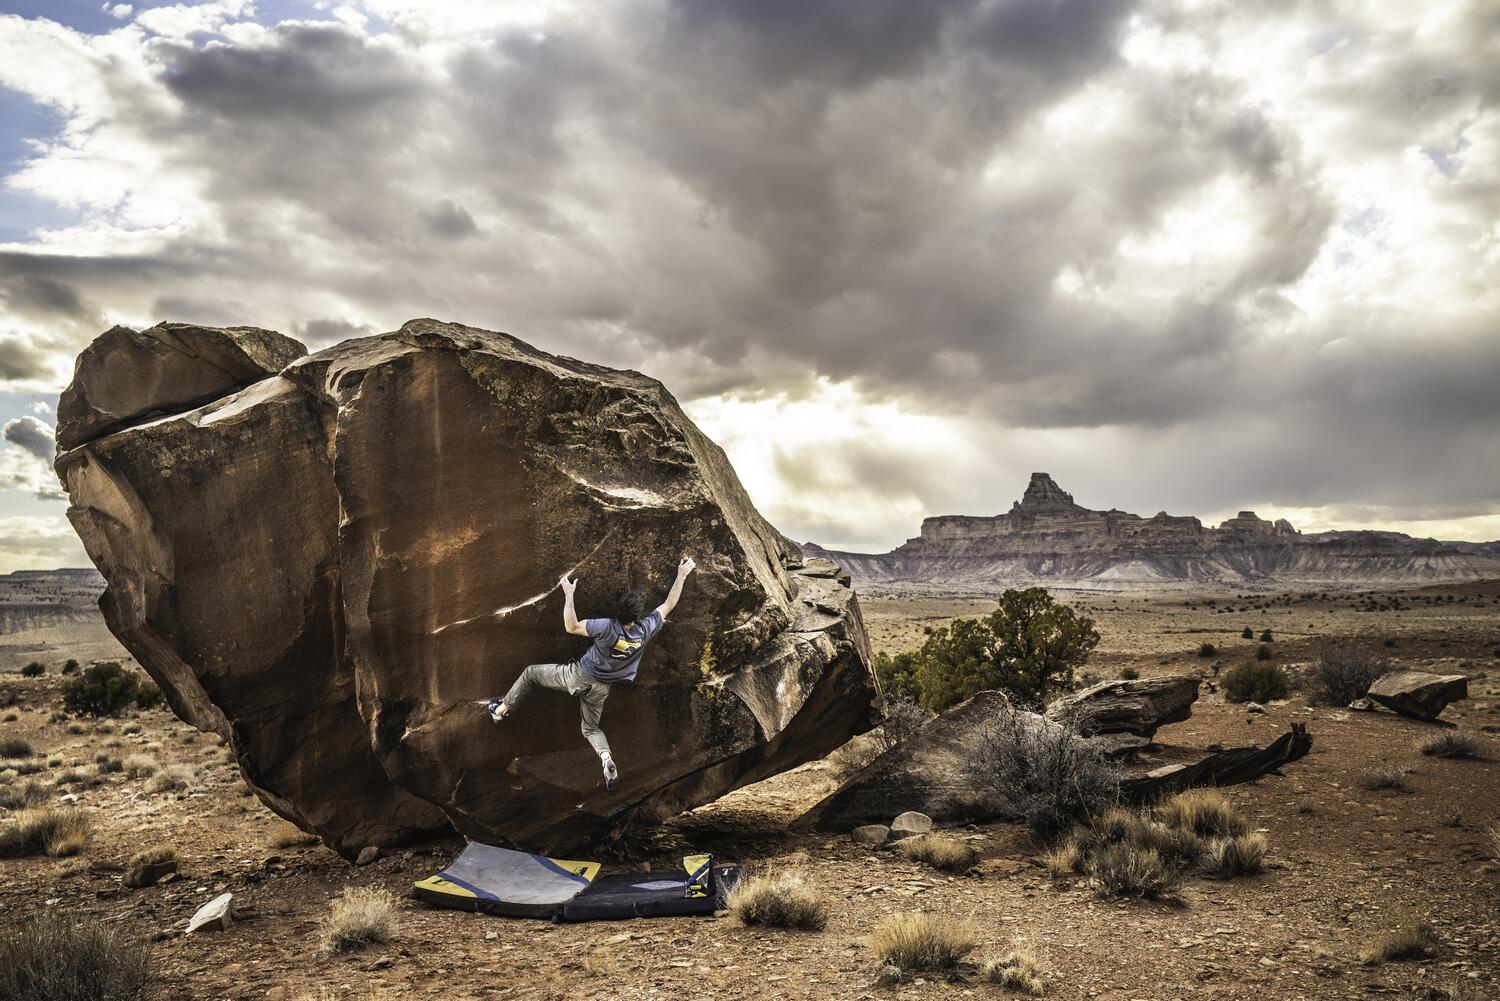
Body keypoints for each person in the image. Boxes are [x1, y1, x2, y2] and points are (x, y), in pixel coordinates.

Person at [486, 556, 696, 791]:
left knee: (530, 673)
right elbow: (669, 604)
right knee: (591, 729)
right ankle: (606, 758)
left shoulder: (607, 626)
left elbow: (571, 626)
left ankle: (501, 709)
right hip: (602, 688)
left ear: (620, 611)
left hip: (579, 676)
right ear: (636, 616)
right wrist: (682, 575)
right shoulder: (645, 629)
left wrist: (568, 594)